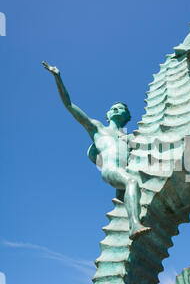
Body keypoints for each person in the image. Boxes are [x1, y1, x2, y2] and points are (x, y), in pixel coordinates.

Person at [43, 61, 151, 240]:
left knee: (131, 192)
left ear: (127, 117)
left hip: (126, 173)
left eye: (122, 108)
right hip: (111, 170)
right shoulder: (98, 129)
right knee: (131, 182)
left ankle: (129, 228)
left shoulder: (129, 139)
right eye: (114, 107)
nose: (117, 109)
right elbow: (69, 105)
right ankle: (134, 225)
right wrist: (58, 77)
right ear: (108, 114)